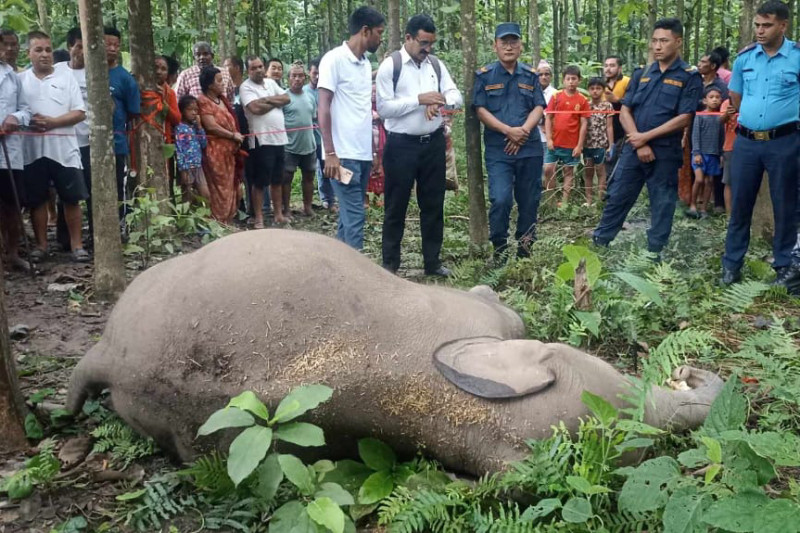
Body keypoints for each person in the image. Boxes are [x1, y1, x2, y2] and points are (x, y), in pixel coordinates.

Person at [592, 18, 701, 257]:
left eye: (664, 41)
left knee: (662, 203)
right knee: (618, 196)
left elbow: (684, 117)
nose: (657, 46)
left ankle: (654, 253)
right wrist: (637, 140)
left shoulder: (688, 76)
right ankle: (599, 244)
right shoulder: (642, 73)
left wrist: (645, 138)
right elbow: (625, 110)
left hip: (663, 152)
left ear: (678, 42)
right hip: (634, 150)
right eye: (654, 41)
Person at [721, 0, 800, 294]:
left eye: (767, 25)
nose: (760, 31)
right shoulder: (745, 59)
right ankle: (731, 266)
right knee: (740, 204)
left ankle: (784, 269)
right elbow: (737, 98)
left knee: (785, 205)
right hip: (747, 142)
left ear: (783, 25)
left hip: (785, 142)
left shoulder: (796, 57)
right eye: (757, 25)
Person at [375, 14, 463, 276]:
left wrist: (440, 102)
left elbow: (455, 95)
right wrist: (419, 100)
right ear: (409, 38)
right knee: (396, 205)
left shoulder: (435, 65)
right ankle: (390, 264)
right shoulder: (391, 66)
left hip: (433, 144)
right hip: (401, 146)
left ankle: (432, 262)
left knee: (433, 204)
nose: (428, 49)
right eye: (423, 43)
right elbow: (384, 108)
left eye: (431, 43)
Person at [473, 22, 546, 260]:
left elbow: (538, 106)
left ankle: (525, 249)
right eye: (504, 42)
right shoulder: (484, 76)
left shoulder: (531, 75)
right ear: (495, 46)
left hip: (530, 148)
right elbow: (480, 110)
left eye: (514, 41)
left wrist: (522, 131)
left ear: (521, 46)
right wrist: (508, 131)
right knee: (501, 198)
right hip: (499, 150)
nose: (509, 46)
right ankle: (500, 249)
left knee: (529, 200)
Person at [318, 6, 385, 250]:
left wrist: (374, 151)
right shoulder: (333, 60)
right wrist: (330, 153)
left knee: (348, 220)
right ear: (365, 31)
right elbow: (323, 107)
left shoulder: (366, 64)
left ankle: (339, 273)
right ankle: (357, 280)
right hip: (342, 156)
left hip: (362, 155)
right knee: (356, 217)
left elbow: (363, 111)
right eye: (379, 32)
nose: (381, 38)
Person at [19, 31, 89, 262]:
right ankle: (41, 246)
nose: (45, 55)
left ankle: (77, 246)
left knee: (71, 198)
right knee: (37, 199)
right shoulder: (21, 81)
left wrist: (53, 122)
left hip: (64, 150)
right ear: (28, 53)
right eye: (38, 50)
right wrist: (27, 120)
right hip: (32, 151)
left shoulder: (66, 77)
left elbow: (80, 112)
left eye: (48, 49)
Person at [240, 55, 290, 227]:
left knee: (277, 179)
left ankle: (278, 215)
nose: (259, 70)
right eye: (254, 68)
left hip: (279, 138)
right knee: (260, 181)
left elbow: (286, 99)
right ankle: (259, 217)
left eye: (260, 66)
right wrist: (275, 102)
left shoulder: (270, 83)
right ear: (248, 71)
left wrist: (267, 99)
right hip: (261, 140)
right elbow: (255, 109)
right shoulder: (245, 87)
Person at [0, 30, 31, 270]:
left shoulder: (14, 77)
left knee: (13, 204)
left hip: (10, 151)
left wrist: (14, 117)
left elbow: (26, 111)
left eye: (14, 45)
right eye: (5, 45)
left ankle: (12, 252)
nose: (11, 49)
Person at [198, 66, 244, 223]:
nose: (223, 83)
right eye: (219, 81)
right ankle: (218, 221)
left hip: (229, 152)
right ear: (210, 84)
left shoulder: (222, 100)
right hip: (214, 152)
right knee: (219, 187)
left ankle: (228, 219)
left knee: (231, 186)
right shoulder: (203, 101)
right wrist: (232, 135)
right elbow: (211, 126)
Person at [105, 26, 140, 223]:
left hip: (117, 142)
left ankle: (120, 226)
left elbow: (134, 113)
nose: (112, 48)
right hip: (86, 142)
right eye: (107, 44)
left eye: (115, 45)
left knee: (119, 186)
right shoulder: (86, 73)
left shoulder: (126, 79)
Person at [544, 65, 589, 205]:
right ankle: (551, 200)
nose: (571, 82)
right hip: (555, 142)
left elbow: (584, 124)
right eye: (568, 79)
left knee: (568, 172)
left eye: (574, 79)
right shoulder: (556, 96)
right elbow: (548, 118)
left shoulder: (582, 100)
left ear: (579, 80)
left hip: (571, 143)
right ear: (563, 80)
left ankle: (564, 202)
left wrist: (579, 145)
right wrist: (549, 139)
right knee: (548, 169)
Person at [282, 62, 317, 217]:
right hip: (289, 145)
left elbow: (313, 117)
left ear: (305, 77)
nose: (297, 79)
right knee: (287, 177)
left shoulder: (310, 96)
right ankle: (286, 209)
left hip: (309, 144)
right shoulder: (283, 97)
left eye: (300, 76)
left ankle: (308, 207)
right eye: (293, 76)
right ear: (288, 78)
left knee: (309, 176)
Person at [686, 86, 725, 219]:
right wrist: (696, 153)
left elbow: (721, 138)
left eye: (717, 97)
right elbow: (695, 135)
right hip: (700, 154)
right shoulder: (700, 116)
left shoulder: (720, 118)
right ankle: (692, 205)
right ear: (704, 100)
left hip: (713, 154)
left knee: (709, 181)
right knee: (699, 179)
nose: (714, 100)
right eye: (711, 97)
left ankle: (704, 209)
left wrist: (720, 154)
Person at [305, 58, 335, 211]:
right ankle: (319, 201)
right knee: (312, 170)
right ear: (309, 73)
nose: (317, 77)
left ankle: (331, 200)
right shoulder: (304, 92)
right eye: (314, 73)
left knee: (328, 168)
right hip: (308, 138)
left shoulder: (327, 90)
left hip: (325, 137)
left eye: (320, 74)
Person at [584, 77, 614, 206]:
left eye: (598, 88)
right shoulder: (585, 104)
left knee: (600, 171)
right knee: (588, 171)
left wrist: (610, 145)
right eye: (592, 88)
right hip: (587, 144)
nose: (595, 91)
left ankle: (600, 199)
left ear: (603, 90)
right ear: (588, 90)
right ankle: (588, 199)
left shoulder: (607, 105)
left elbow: (609, 126)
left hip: (601, 143)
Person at [174, 95, 209, 203]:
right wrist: (183, 169)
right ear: (182, 110)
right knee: (188, 196)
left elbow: (204, 144)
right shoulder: (179, 128)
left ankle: (205, 218)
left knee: (205, 194)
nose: (194, 113)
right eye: (190, 109)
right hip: (187, 167)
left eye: (196, 110)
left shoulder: (195, 127)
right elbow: (179, 150)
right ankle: (187, 218)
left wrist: (200, 127)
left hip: (198, 166)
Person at [603, 55, 630, 169]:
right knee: (605, 165)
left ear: (620, 68)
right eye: (606, 66)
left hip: (622, 130)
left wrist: (617, 100)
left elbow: (634, 102)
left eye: (612, 65)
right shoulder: (600, 84)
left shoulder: (627, 81)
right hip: (603, 131)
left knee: (619, 164)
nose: (608, 69)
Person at [718, 96, 737, 214]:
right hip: (730, 146)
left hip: (750, 146)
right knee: (728, 181)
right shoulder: (727, 102)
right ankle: (729, 215)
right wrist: (728, 114)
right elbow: (720, 120)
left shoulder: (752, 99)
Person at [536, 60, 557, 153]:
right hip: (534, 138)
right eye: (540, 75)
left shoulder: (556, 94)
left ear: (551, 76)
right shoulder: (531, 93)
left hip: (550, 138)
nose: (543, 77)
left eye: (546, 74)